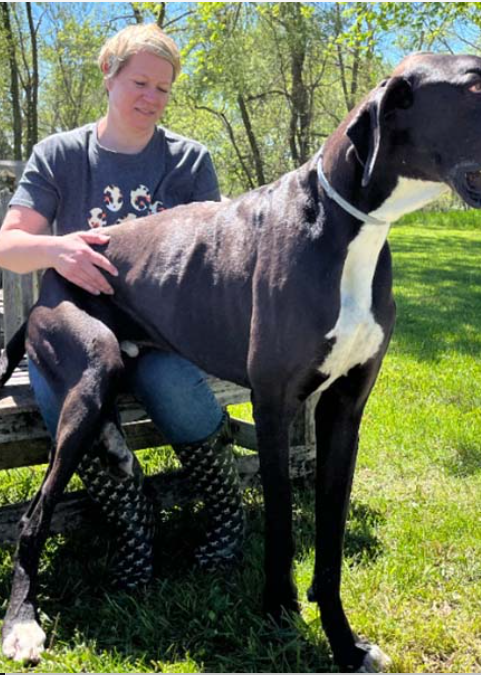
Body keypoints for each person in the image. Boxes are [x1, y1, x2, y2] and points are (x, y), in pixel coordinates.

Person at [0, 24, 244, 589]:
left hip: (159, 334)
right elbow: (9, 246)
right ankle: (136, 526)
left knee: (176, 388)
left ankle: (226, 516)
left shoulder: (188, 161)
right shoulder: (61, 155)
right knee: (80, 411)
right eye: (140, 82)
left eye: (164, 89)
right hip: (74, 333)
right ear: (108, 75)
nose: (151, 99)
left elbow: (212, 258)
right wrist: (55, 249)